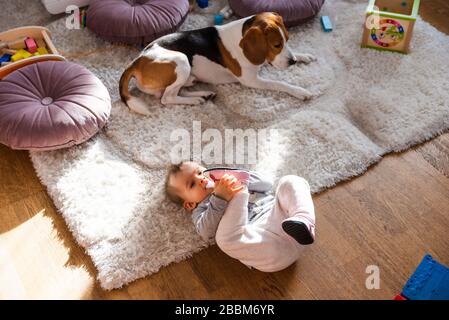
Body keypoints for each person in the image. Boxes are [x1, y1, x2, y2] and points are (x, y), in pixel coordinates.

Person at [165, 161, 316, 272]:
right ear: (190, 204)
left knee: (289, 181)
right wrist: (220, 197)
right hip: (265, 245)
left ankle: (304, 219)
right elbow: (206, 232)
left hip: (284, 220)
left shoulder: (235, 178)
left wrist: (237, 177)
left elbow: (267, 185)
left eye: (199, 172)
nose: (201, 179)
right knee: (223, 240)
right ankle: (240, 195)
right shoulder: (201, 210)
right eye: (192, 184)